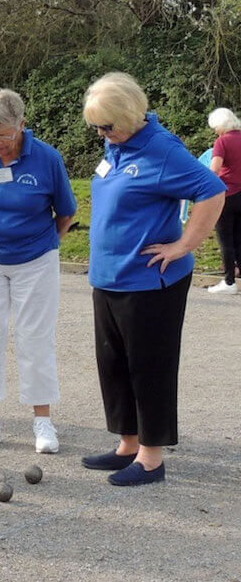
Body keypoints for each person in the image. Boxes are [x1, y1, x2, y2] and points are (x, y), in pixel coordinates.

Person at [81, 72, 225, 486]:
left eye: (108, 126)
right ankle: (128, 443)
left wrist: (183, 245)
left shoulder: (162, 150)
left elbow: (212, 191)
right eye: (98, 128)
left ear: (129, 115)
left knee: (149, 366)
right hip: (109, 276)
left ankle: (151, 457)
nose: (103, 135)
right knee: (113, 364)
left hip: (149, 282)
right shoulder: (117, 145)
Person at [0, 89, 77, 454]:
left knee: (35, 337)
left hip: (35, 259)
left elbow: (66, 213)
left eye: (5, 135)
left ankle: (43, 421)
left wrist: (41, 245)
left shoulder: (47, 159)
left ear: (22, 126)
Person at [206, 107, 241, 294]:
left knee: (226, 239)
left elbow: (214, 171)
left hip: (227, 195)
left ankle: (229, 282)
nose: (215, 131)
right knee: (240, 239)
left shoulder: (222, 142)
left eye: (215, 127)